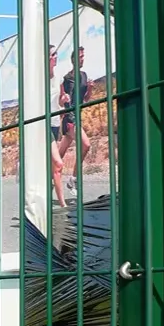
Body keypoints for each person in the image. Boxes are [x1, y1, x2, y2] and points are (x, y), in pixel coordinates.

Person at [60, 45, 92, 192]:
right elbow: (62, 99)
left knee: (58, 155)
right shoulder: (68, 79)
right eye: (80, 57)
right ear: (73, 60)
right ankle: (73, 179)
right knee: (86, 145)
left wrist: (90, 88)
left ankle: (47, 178)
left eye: (83, 56)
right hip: (70, 118)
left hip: (78, 118)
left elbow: (85, 99)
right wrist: (63, 98)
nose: (82, 59)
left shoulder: (84, 76)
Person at [49, 44, 68, 208]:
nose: (56, 56)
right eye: (53, 54)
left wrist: (64, 100)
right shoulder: (39, 79)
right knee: (58, 164)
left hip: (55, 123)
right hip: (43, 125)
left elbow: (60, 99)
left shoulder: (59, 77)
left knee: (52, 167)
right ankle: (63, 205)